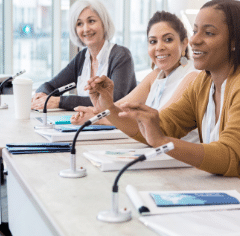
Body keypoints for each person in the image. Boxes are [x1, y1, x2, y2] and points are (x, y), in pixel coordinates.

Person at [85, 0, 240, 182]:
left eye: (208, 33)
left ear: (235, 42)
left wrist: (163, 141)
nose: (195, 40)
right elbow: (160, 127)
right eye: (195, 30)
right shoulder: (203, 83)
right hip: (226, 195)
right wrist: (108, 107)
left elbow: (231, 157)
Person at [71, 11, 200, 142]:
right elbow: (120, 108)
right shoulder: (156, 75)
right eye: (153, 41)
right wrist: (95, 111)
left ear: (184, 43)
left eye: (168, 39)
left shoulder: (192, 77)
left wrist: (99, 118)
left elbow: (158, 126)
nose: (159, 47)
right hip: (158, 153)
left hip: (178, 158)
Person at [31, 0, 136, 111]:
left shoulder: (121, 56)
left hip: (119, 127)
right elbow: (50, 86)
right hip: (90, 124)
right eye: (79, 24)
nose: (86, 29)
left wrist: (59, 101)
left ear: (104, 24)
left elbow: (113, 100)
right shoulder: (82, 58)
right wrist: (41, 95)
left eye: (91, 21)